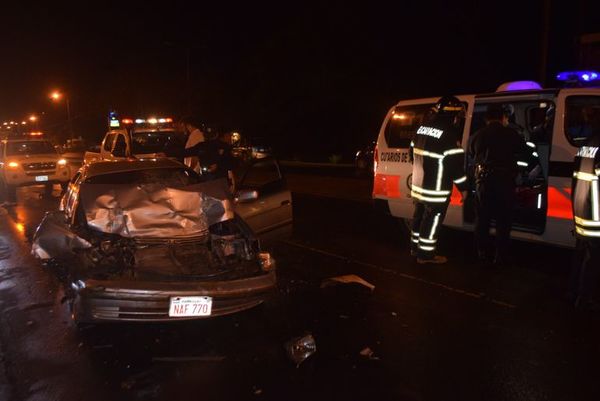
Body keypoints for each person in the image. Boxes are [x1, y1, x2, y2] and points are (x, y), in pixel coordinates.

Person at [468, 104, 535, 266]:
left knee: (482, 219)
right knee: (503, 221)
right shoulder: (512, 134)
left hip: (483, 181)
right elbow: (527, 154)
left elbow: (471, 154)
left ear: (486, 119)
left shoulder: (477, 135)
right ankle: (500, 255)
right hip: (505, 181)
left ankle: (482, 253)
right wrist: (521, 170)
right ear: (503, 118)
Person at [409, 95, 468, 264]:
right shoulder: (448, 135)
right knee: (432, 220)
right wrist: (464, 188)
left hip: (418, 185)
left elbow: (411, 153)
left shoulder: (421, 129)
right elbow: (455, 166)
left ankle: (415, 249)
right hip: (436, 189)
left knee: (418, 217)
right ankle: (425, 255)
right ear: (453, 116)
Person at [568, 107, 600, 311]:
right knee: (594, 260)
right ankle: (585, 299)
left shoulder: (585, 145)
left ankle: (573, 292)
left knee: (581, 254)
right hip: (596, 215)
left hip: (582, 210)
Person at [183, 128, 236, 195]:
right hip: (212, 183)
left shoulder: (221, 146)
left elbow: (232, 163)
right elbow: (232, 164)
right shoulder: (222, 146)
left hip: (216, 183)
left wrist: (218, 165)